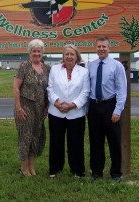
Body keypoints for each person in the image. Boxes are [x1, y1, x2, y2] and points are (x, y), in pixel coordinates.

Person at [47, 44, 90, 178]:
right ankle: (55, 169)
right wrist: (57, 103)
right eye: (67, 54)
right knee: (56, 142)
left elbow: (85, 92)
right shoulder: (54, 69)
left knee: (76, 143)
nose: (69, 57)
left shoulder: (83, 72)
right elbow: (50, 89)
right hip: (56, 112)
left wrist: (73, 105)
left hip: (76, 113)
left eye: (72, 54)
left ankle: (77, 170)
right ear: (63, 57)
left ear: (77, 56)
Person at [88, 36, 127, 182]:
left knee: (114, 142)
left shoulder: (117, 66)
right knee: (95, 141)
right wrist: (87, 108)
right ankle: (96, 171)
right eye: (99, 46)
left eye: (104, 46)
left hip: (110, 106)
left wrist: (117, 110)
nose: (101, 49)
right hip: (94, 106)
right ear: (95, 48)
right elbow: (88, 88)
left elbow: (122, 90)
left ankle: (116, 173)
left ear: (109, 48)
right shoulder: (91, 66)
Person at [13, 39, 50, 177]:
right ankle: (24, 169)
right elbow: (16, 87)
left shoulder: (47, 68)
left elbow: (49, 89)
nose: (36, 53)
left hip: (40, 109)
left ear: (42, 53)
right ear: (30, 52)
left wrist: (47, 107)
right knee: (25, 137)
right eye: (34, 51)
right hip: (25, 107)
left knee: (36, 137)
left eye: (39, 51)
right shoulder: (24, 66)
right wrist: (18, 108)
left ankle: (31, 167)